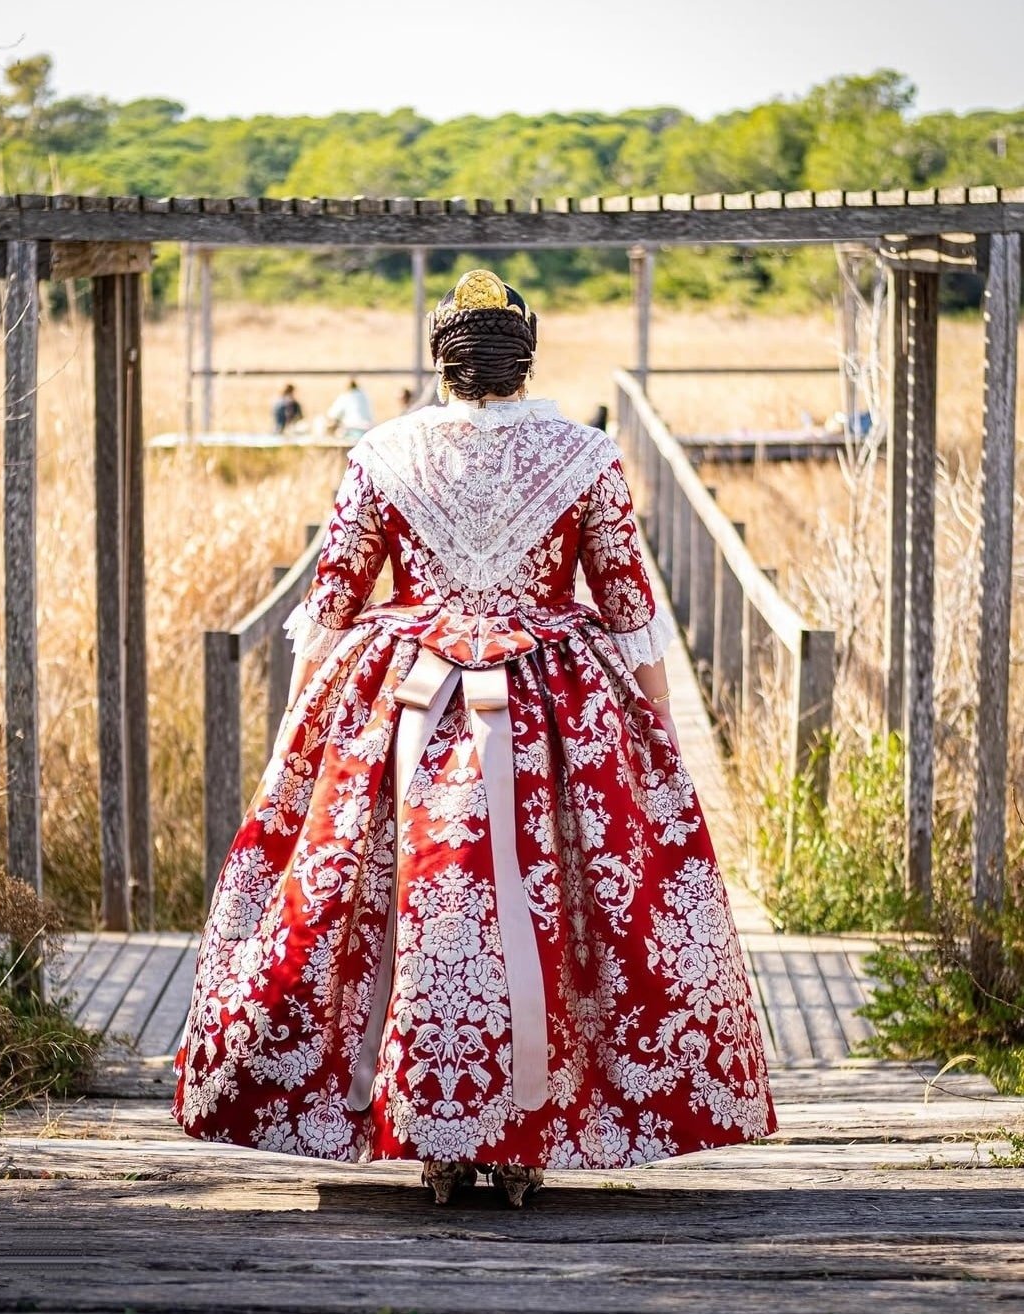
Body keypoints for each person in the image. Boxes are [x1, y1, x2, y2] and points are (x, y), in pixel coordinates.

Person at [173, 268, 776, 1209]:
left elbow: (330, 609)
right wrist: (657, 738)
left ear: (439, 359)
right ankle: (523, 1136)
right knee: (548, 907)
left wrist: (299, 732)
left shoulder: (382, 451)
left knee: (409, 897)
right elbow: (626, 611)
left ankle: (428, 1129)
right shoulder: (585, 456)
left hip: (403, 701)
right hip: (551, 707)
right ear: (525, 356)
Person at [327, 377, 374, 441]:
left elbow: (332, 414)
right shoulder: (364, 395)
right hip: (368, 430)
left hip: (353, 430)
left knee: (338, 435)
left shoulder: (346, 396)